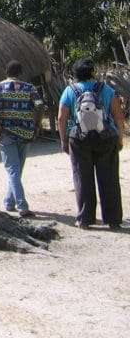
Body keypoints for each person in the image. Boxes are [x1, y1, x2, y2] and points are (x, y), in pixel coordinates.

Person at [58, 58, 125, 230]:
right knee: (109, 178)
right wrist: (119, 137)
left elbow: (62, 118)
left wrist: (64, 140)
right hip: (106, 138)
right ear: (93, 72)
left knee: (82, 178)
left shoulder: (69, 91)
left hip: (79, 139)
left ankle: (85, 219)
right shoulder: (107, 89)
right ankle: (114, 219)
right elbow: (118, 116)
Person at [0, 60, 44, 218]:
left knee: (13, 170)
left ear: (6, 72)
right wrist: (37, 125)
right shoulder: (29, 88)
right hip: (25, 133)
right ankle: (20, 205)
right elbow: (39, 105)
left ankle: (11, 202)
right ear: (20, 73)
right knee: (16, 170)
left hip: (6, 133)